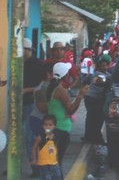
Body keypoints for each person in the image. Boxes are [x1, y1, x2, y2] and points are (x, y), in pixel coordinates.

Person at [47, 62, 88, 164]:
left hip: (54, 127)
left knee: (53, 159)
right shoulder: (61, 91)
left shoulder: (51, 88)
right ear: (66, 76)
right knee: (57, 160)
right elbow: (71, 109)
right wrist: (80, 95)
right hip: (61, 129)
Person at [23, 38, 44, 178]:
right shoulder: (19, 63)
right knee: (21, 136)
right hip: (21, 103)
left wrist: (27, 90)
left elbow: (41, 84)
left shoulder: (36, 64)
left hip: (32, 103)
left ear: (27, 50)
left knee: (31, 136)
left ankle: (36, 166)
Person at [83, 55, 112, 144]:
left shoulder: (107, 74)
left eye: (105, 65)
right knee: (95, 119)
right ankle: (95, 137)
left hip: (97, 99)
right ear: (98, 66)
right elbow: (98, 80)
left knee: (93, 118)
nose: (104, 67)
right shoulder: (98, 74)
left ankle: (90, 136)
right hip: (92, 99)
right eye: (102, 65)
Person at [31, 115, 62, 180]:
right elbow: (34, 148)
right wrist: (34, 159)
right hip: (43, 164)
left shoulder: (55, 136)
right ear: (43, 126)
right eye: (46, 125)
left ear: (54, 126)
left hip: (54, 163)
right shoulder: (40, 137)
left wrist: (57, 160)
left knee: (57, 177)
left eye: (50, 125)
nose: (48, 126)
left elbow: (56, 148)